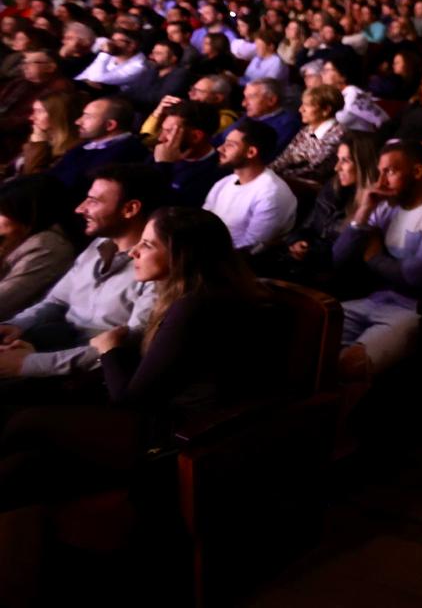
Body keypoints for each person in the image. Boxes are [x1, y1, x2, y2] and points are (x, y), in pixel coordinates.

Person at [0, 207, 269, 510]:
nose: (133, 253)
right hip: (161, 415)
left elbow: (131, 400)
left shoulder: (194, 306)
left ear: (182, 255)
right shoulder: (191, 293)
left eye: (148, 245)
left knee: (26, 422)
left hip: (180, 434)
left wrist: (109, 348)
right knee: (22, 461)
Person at [0, 164, 162, 386]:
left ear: (130, 209)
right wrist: (18, 325)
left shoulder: (157, 267)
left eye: (93, 201)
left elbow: (122, 347)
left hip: (88, 375)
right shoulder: (97, 245)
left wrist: (27, 364)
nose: (79, 209)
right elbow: (56, 301)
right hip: (52, 346)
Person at [331, 140, 422, 380]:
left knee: (349, 365)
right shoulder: (385, 205)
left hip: (415, 310)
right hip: (373, 299)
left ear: (417, 172)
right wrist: (364, 211)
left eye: (390, 172)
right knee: (309, 342)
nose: (381, 182)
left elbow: (416, 278)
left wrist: (373, 256)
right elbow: (339, 258)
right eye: (380, 172)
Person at [268, 132, 381, 284]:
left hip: (338, 277)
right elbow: (308, 226)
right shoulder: (332, 187)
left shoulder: (374, 204)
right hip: (306, 262)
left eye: (345, 161)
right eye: (338, 159)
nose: (337, 168)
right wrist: (298, 241)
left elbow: (345, 258)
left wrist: (310, 253)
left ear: (364, 164)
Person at [202, 120, 297, 254]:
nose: (220, 148)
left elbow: (252, 247)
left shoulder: (271, 193)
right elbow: (201, 223)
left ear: (251, 152)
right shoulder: (224, 183)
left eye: (230, 145)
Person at [0, 179, 77, 321]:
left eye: (2, 212)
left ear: (29, 215)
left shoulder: (47, 247)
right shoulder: (17, 239)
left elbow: (4, 301)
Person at [49, 96, 146, 202]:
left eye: (87, 117)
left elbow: (74, 187)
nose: (78, 121)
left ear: (110, 125)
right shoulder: (84, 146)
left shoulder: (127, 152)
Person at [150, 101, 224, 208]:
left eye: (169, 131)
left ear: (195, 137)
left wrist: (164, 165)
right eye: (163, 130)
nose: (161, 138)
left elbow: (160, 204)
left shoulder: (217, 173)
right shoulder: (160, 152)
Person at [213, 77, 300, 162]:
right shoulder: (252, 115)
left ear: (271, 100)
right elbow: (220, 138)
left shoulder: (288, 124)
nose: (244, 103)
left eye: (251, 97)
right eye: (245, 97)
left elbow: (264, 158)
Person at [10, 92, 80, 179]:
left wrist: (38, 145)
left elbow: (33, 181)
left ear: (58, 114)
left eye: (39, 111)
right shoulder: (42, 137)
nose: (31, 117)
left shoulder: (73, 152)